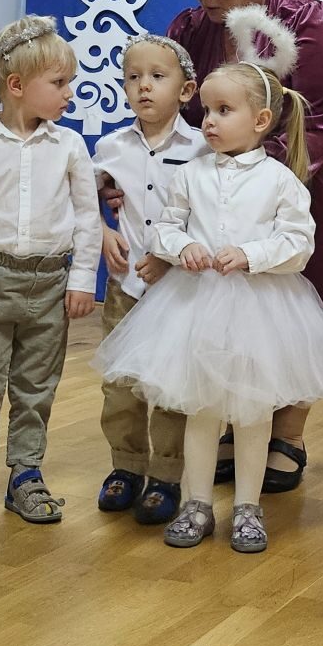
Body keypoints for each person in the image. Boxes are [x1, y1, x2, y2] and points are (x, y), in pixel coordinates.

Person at [94, 6, 323, 553]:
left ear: (260, 121)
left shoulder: (280, 181)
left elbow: (298, 243)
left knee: (254, 414)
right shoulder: (191, 174)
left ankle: (247, 506)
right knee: (201, 409)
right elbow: (166, 226)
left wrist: (252, 254)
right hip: (193, 306)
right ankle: (195, 503)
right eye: (207, 111)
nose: (209, 122)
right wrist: (181, 246)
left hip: (259, 308)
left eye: (222, 111)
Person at [164, 0, 323, 494]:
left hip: (308, 172)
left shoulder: (312, 24)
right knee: (227, 299)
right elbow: (176, 109)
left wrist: (253, 183)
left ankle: (288, 432)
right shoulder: (190, 27)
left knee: (297, 297)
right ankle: (235, 417)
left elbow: (320, 121)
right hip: (220, 176)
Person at [0, 17, 98, 531]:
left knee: (36, 388)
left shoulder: (70, 146)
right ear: (17, 85)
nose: (69, 93)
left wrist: (82, 278)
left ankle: (26, 474)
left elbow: (87, 217)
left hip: (51, 284)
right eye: (59, 83)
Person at [91, 34, 205, 526]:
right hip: (125, 287)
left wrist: (168, 258)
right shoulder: (110, 147)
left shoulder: (203, 148)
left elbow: (210, 217)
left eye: (158, 76)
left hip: (178, 289)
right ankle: (126, 466)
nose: (144, 86)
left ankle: (166, 475)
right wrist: (102, 230)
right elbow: (84, 196)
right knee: (121, 383)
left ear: (186, 90)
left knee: (171, 384)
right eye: (133, 77)